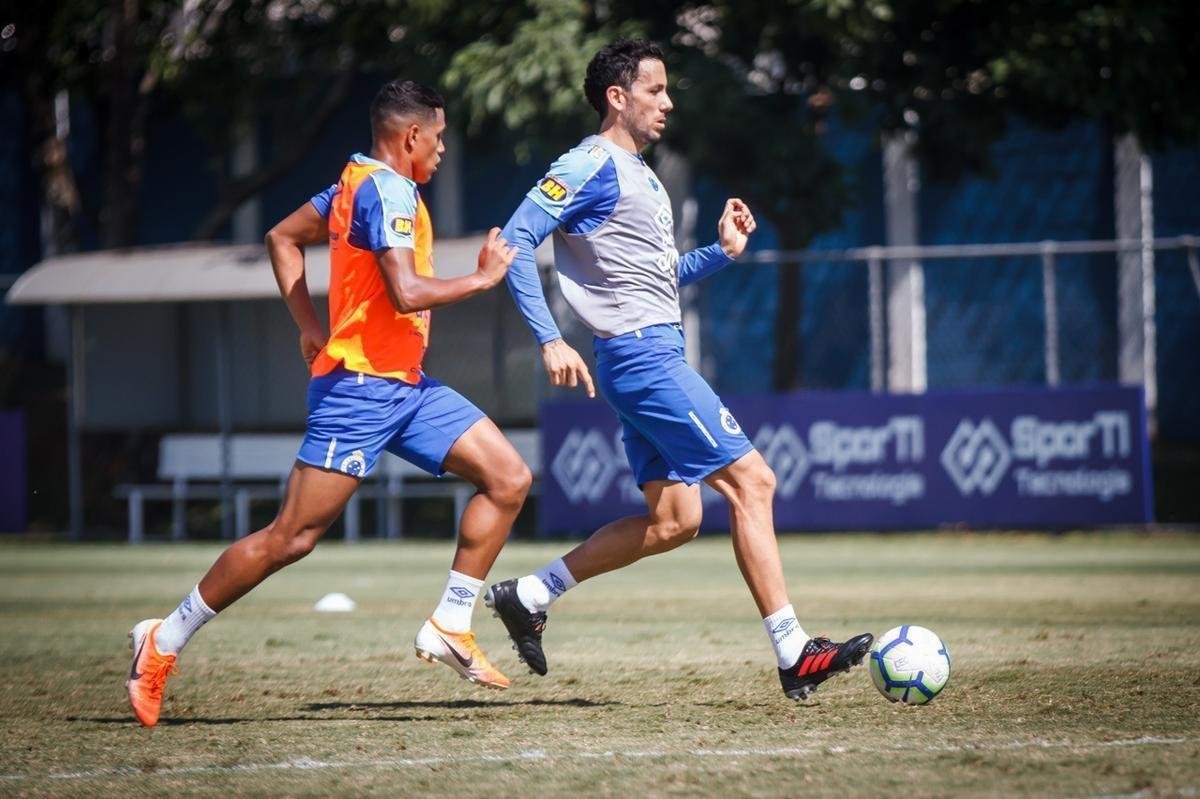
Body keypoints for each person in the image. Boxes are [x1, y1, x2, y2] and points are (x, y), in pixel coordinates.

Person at [126, 79, 531, 727]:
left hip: (405, 385)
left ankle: (451, 624)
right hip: (360, 390)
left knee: (508, 478)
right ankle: (164, 637)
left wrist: (309, 327)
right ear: (411, 136)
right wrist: (482, 278)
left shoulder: (353, 183)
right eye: (438, 137)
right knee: (292, 537)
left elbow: (282, 237)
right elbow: (404, 291)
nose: (442, 149)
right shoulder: (387, 190)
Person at [485, 39, 872, 701]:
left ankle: (531, 593)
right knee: (754, 482)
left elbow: (657, 278)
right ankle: (794, 651)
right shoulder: (588, 163)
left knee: (675, 519)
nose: (668, 102)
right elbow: (514, 240)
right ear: (617, 97)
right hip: (641, 358)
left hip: (644, 355)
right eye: (655, 89)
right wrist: (549, 338)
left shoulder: (641, 174)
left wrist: (721, 252)